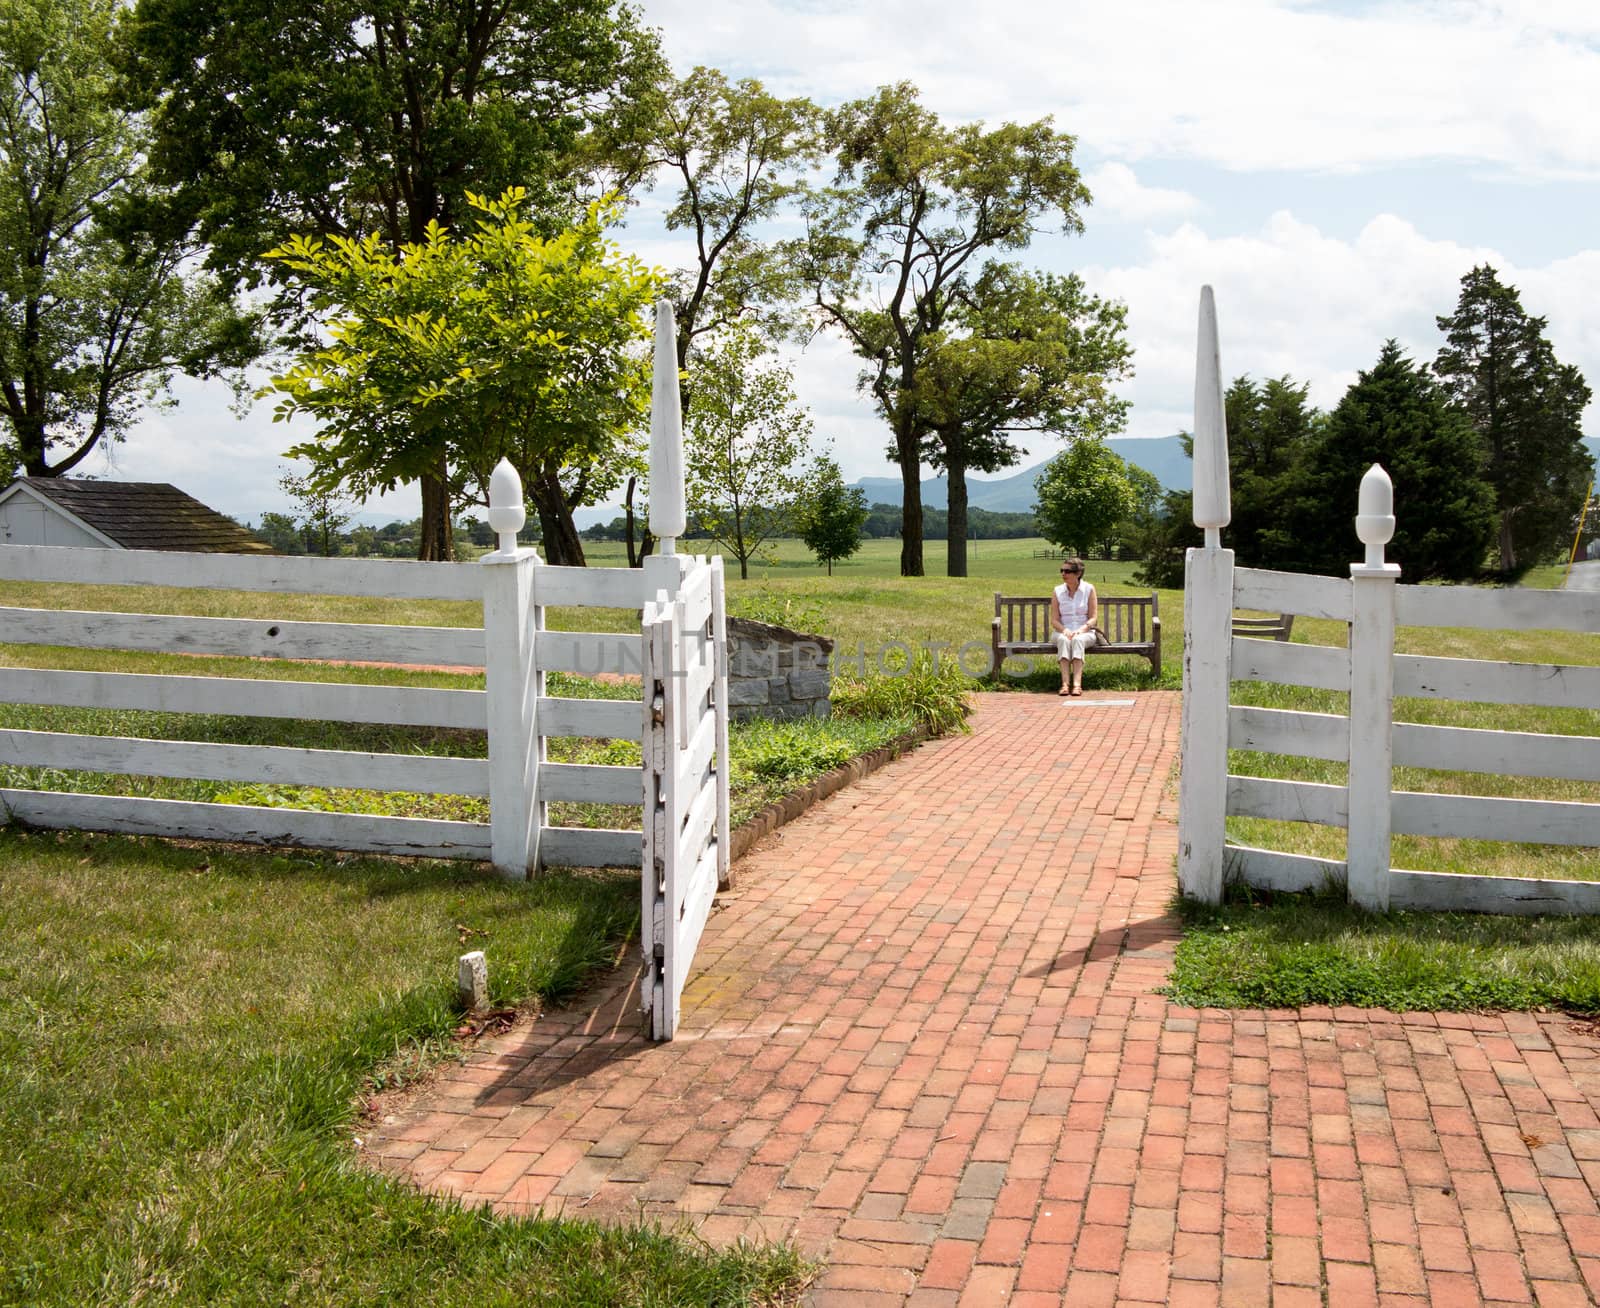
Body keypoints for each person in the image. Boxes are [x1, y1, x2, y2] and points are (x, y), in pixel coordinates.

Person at [1050, 557, 1099, 696]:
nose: (1063, 574)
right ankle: (1065, 684)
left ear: (1078, 573)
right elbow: (1054, 620)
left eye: (1067, 571)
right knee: (1063, 640)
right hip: (1062, 631)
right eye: (1062, 570)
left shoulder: (1089, 589)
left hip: (1085, 632)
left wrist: (1080, 630)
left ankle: (1077, 685)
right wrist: (1065, 630)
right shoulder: (1057, 591)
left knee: (1078, 640)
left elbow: (1093, 618)